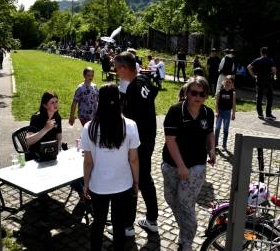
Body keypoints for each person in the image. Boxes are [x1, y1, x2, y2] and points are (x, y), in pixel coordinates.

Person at [81, 83, 140, 251]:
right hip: (123, 184)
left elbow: (88, 161)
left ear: (99, 100)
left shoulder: (89, 127)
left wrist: (85, 184)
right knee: (119, 223)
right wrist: (136, 182)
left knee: (98, 222)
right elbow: (134, 159)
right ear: (119, 99)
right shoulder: (130, 125)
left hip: (98, 185)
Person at [162, 76, 215, 251]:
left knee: (186, 201)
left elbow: (209, 133)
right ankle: (184, 228)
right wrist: (180, 166)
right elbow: (171, 141)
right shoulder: (175, 111)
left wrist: (212, 149)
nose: (198, 97)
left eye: (202, 94)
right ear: (187, 92)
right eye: (194, 92)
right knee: (171, 198)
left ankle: (187, 240)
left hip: (196, 165)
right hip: (171, 164)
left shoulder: (207, 113)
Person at [114, 51, 159, 235]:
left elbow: (128, 123)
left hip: (137, 144)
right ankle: (152, 219)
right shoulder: (144, 80)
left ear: (124, 68)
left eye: (117, 69)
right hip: (149, 140)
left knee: (131, 180)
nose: (116, 72)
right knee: (145, 179)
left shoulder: (133, 90)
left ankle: (127, 225)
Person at [26, 91, 84, 197]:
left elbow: (59, 138)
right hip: (36, 154)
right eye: (52, 102)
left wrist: (58, 149)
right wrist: (45, 129)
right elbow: (28, 141)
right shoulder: (36, 118)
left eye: (56, 102)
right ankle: (83, 193)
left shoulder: (57, 118)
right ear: (45, 105)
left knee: (71, 166)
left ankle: (84, 192)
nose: (55, 104)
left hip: (52, 152)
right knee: (66, 169)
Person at [247, 46, 277, 120]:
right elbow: (274, 71)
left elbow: (249, 67)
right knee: (269, 97)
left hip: (259, 80)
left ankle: (260, 114)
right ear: (267, 53)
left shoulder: (257, 60)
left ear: (261, 53)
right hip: (267, 81)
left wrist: (254, 75)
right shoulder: (270, 60)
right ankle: (268, 114)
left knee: (259, 97)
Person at [215, 75, 236, 151]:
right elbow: (216, 103)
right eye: (226, 81)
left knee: (225, 129)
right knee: (217, 128)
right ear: (224, 82)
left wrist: (233, 113)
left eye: (230, 82)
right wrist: (217, 112)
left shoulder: (232, 93)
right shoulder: (220, 92)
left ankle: (224, 144)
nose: (228, 83)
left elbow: (233, 104)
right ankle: (215, 142)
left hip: (227, 112)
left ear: (232, 84)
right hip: (220, 111)